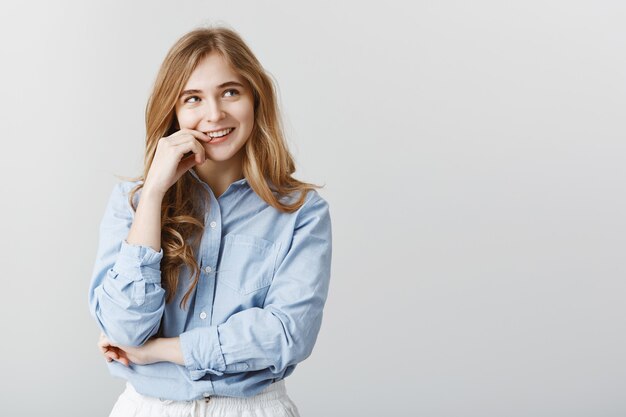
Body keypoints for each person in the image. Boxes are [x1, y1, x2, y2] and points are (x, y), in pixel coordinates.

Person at [87, 25, 332, 417]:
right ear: (174, 111)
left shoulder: (301, 211)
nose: (214, 114)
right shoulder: (131, 202)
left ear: (255, 98)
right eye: (193, 99)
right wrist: (153, 194)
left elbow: (286, 335)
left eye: (230, 92)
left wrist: (160, 351)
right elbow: (124, 329)